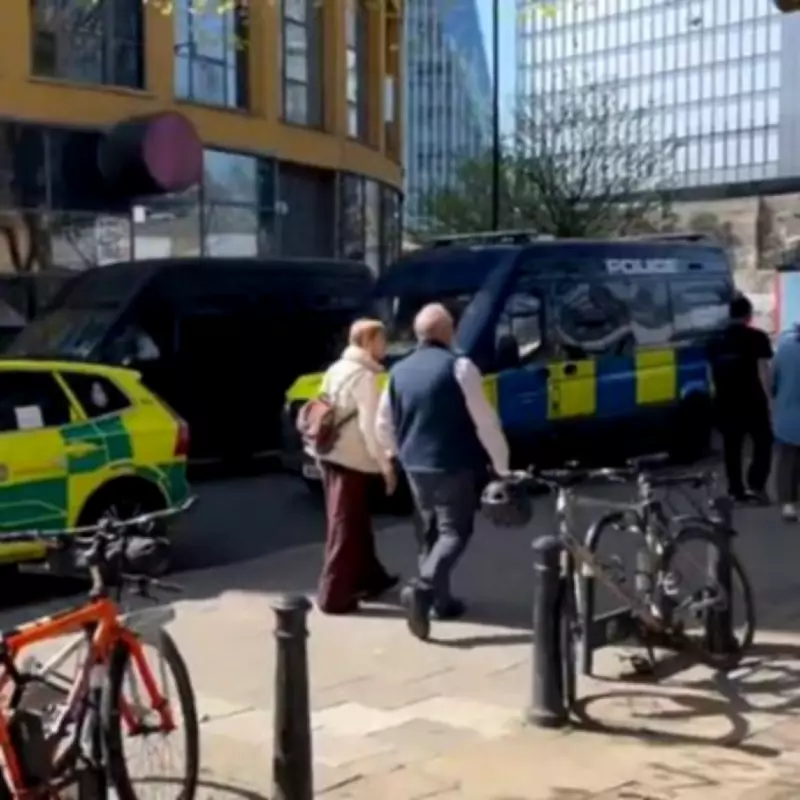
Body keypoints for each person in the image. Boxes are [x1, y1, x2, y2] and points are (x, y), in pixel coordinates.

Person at [375, 303, 510, 641]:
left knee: (429, 534)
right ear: (446, 331)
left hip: (415, 466)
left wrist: (398, 453)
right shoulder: (460, 367)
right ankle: (422, 589)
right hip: (453, 463)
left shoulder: (398, 371)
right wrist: (502, 465)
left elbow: (383, 424)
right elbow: (485, 421)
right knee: (454, 532)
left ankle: (442, 602)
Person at [313, 319, 398, 614]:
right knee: (345, 528)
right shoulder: (365, 377)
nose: (385, 346)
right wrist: (386, 467)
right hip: (350, 460)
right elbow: (369, 428)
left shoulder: (336, 369)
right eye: (382, 340)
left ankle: (370, 578)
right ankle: (333, 597)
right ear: (368, 342)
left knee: (355, 523)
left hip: (330, 455)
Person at [707, 293, 773, 504]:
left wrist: (715, 399)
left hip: (725, 402)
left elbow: (710, 375)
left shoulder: (714, 341)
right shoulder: (758, 338)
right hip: (753, 402)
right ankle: (756, 485)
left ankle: (735, 490)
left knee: (732, 447)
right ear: (748, 316)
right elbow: (763, 372)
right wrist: (771, 401)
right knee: (763, 443)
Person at [771, 324, 800, 520]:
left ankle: (788, 504)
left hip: (787, 416)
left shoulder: (784, 350)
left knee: (787, 460)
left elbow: (773, 381)